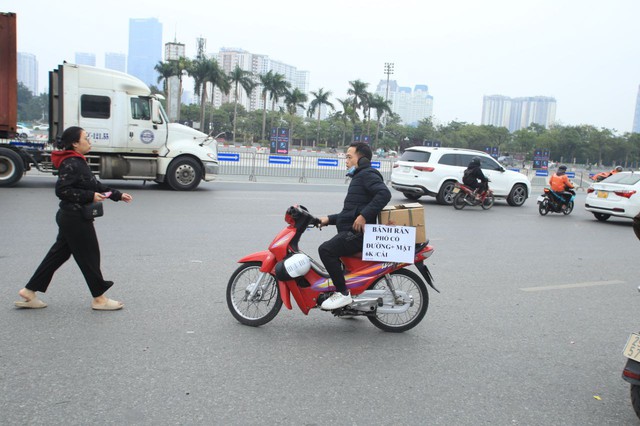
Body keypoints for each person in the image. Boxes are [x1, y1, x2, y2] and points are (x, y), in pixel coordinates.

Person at [14, 126, 133, 311]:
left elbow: (94, 184)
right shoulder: (71, 163)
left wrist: (117, 195)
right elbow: (62, 190)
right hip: (75, 217)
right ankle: (99, 299)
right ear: (75, 143)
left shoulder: (77, 161)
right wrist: (89, 196)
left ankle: (29, 291)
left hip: (70, 217)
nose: (89, 140)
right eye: (86, 138)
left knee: (58, 255)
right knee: (90, 257)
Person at [318, 142, 391, 310]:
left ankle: (343, 293)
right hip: (351, 230)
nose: (346, 161)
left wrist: (364, 216)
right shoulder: (359, 177)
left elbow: (384, 193)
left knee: (326, 250)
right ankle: (351, 305)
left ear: (362, 159)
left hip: (358, 234)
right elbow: (350, 214)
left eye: (349, 157)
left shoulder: (367, 174)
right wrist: (327, 219)